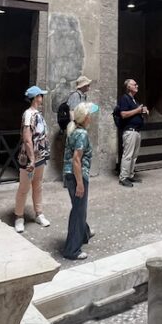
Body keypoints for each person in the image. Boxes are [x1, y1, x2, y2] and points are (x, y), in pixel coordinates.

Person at [62, 101, 99, 260]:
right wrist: (80, 183)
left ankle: (84, 233)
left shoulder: (73, 130)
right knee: (78, 210)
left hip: (71, 174)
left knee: (79, 207)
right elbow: (76, 160)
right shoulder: (82, 134)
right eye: (89, 115)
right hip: (77, 175)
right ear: (84, 118)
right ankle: (72, 249)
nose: (90, 117)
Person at [15, 85, 51, 232]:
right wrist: (31, 160)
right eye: (41, 95)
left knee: (38, 185)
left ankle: (39, 213)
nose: (42, 98)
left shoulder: (37, 113)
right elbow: (27, 139)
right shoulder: (29, 114)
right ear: (36, 97)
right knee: (24, 187)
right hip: (30, 159)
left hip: (39, 156)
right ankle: (19, 216)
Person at [117, 78, 148, 188]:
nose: (137, 86)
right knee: (128, 155)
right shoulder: (125, 98)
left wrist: (142, 111)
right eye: (134, 84)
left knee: (134, 156)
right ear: (128, 87)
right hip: (130, 131)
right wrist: (138, 110)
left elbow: (136, 112)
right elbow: (123, 114)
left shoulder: (134, 99)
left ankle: (130, 175)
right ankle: (123, 177)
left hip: (136, 131)